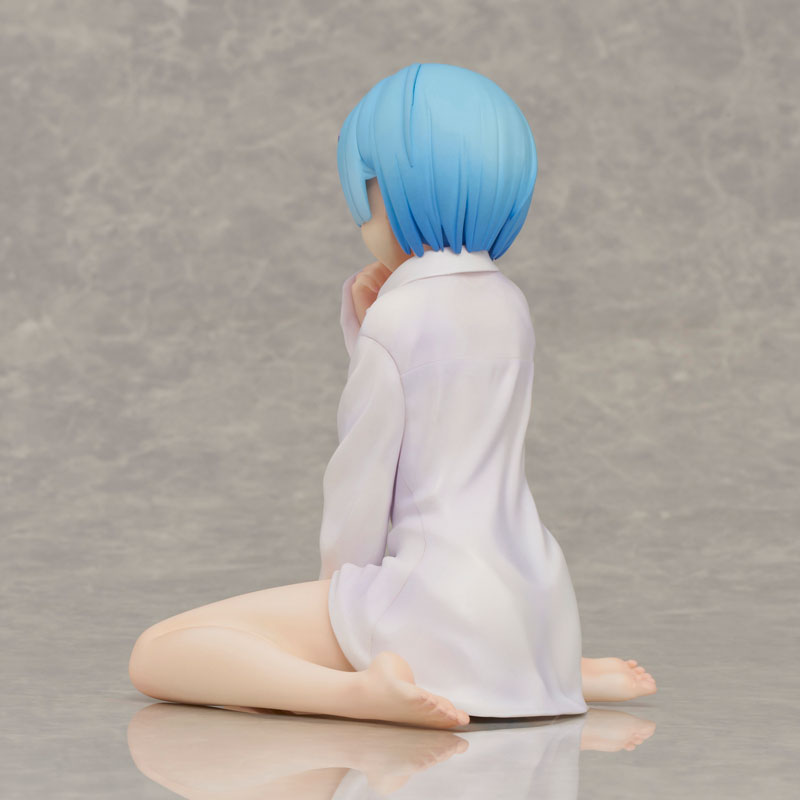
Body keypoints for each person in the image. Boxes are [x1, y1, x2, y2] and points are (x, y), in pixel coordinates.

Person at [128, 63, 656, 730]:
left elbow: (363, 479)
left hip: (435, 600)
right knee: (440, 624)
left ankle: (356, 693)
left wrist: (341, 597)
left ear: (387, 188)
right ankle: (550, 673)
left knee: (159, 653)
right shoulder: (508, 302)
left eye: (365, 189)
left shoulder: (400, 318)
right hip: (536, 596)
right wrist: (371, 332)